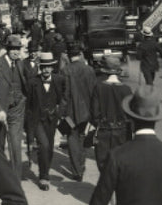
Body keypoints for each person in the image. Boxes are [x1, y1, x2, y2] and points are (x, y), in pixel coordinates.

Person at [0, 33, 28, 180]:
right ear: (8, 49)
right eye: (13, 49)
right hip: (0, 111)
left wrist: (22, 99)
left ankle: (15, 179)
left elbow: (25, 84)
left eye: (18, 49)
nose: (16, 52)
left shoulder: (21, 64)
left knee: (15, 144)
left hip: (17, 109)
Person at [26, 51, 64, 191]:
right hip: (37, 120)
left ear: (53, 67)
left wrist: (60, 112)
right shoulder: (32, 82)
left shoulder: (59, 80)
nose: (47, 69)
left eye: (49, 67)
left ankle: (45, 169)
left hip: (52, 119)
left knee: (50, 147)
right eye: (44, 66)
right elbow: (28, 105)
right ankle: (43, 177)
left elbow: (64, 99)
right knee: (44, 145)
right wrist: (28, 127)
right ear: (40, 67)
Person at [62, 42, 97, 181]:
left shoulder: (65, 71)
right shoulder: (89, 70)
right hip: (87, 111)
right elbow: (94, 92)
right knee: (83, 138)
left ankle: (77, 171)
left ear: (68, 55)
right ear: (80, 54)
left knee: (72, 139)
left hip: (70, 112)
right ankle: (81, 166)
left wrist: (62, 113)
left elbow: (64, 95)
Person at [91, 55, 132, 173]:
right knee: (121, 165)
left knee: (103, 165)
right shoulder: (127, 89)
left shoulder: (98, 87)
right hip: (122, 131)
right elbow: (131, 114)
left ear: (104, 70)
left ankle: (107, 187)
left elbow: (94, 113)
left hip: (104, 130)